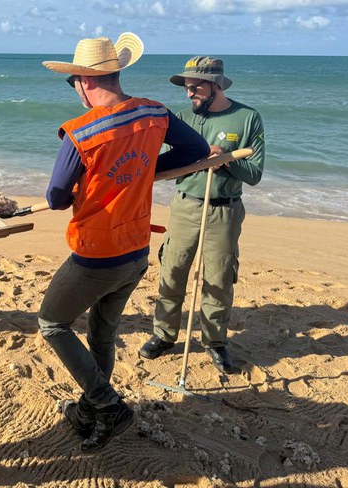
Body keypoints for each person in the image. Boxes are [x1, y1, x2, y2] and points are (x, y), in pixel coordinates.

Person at [38, 33, 210, 451]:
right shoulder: (154, 112)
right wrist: (146, 169)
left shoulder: (82, 132)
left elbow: (56, 199)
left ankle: (106, 404)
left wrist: (93, 184)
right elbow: (197, 149)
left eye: (73, 82)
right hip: (136, 249)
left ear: (84, 80)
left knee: (52, 323)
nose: (74, 89)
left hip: (97, 254)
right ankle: (88, 410)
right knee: (102, 331)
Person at [139, 56, 265, 374]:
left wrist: (225, 159)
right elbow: (164, 161)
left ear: (215, 85)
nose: (188, 93)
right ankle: (164, 335)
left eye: (194, 87)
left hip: (224, 209)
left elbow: (254, 174)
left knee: (219, 279)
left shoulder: (248, 118)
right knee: (172, 269)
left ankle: (215, 341)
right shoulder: (182, 117)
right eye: (186, 87)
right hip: (185, 205)